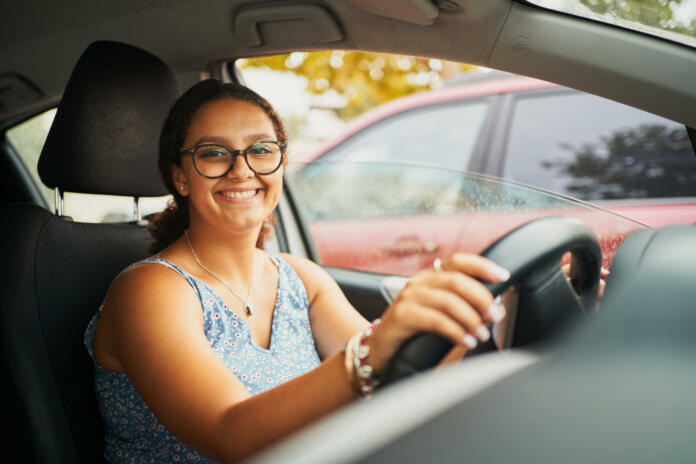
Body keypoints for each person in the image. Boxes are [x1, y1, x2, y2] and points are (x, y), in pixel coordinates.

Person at [84, 79, 512, 463]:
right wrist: (374, 345)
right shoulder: (149, 290)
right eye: (213, 153)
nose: (242, 169)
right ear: (180, 177)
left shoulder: (299, 278)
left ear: (281, 163)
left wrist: (480, 320)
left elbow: (401, 384)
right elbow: (231, 435)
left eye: (261, 150)